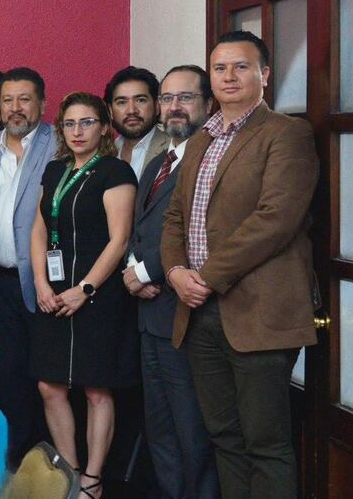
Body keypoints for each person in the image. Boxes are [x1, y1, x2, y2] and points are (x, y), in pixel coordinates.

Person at [161, 31, 319, 498]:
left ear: (264, 75)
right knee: (225, 439)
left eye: (241, 67)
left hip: (258, 314)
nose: (229, 76)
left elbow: (276, 220)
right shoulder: (199, 141)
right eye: (220, 68)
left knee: (266, 445)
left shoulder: (287, 134)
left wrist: (205, 277)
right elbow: (175, 218)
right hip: (197, 312)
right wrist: (174, 274)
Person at [29, 91, 137, 498]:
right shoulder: (55, 170)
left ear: (104, 127)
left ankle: (93, 479)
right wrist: (41, 282)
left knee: (96, 388)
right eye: (69, 124)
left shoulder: (115, 171)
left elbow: (119, 239)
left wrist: (86, 288)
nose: (77, 131)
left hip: (99, 295)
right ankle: (69, 471)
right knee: (50, 385)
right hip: (54, 293)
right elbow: (39, 229)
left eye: (86, 122)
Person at [124, 66, 218, 498]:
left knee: (191, 430)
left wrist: (143, 273)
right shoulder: (159, 163)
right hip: (148, 316)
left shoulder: (208, 161)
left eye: (185, 98)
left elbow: (190, 232)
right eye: (166, 98)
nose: (173, 107)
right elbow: (140, 228)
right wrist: (132, 270)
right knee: (159, 427)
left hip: (183, 316)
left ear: (207, 104)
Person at [0, 66, 55, 464]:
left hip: (48, 283)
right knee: (10, 378)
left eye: (24, 99)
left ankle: (55, 464)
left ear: (42, 103)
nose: (15, 108)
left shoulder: (60, 144)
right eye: (8, 100)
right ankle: (18, 464)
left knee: (51, 380)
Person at [105, 66, 167, 180]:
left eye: (141, 100)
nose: (131, 110)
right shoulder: (105, 152)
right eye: (122, 102)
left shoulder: (174, 149)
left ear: (157, 106)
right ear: (110, 111)